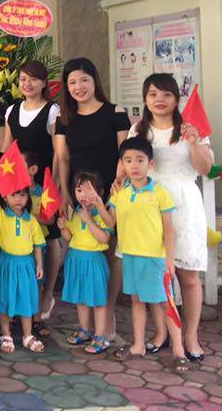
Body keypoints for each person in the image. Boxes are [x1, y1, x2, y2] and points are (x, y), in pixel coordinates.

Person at [128, 73, 212, 362]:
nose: (159, 100)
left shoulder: (190, 127)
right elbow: (128, 164)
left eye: (166, 94)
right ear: (145, 99)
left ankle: (191, 336)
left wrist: (194, 142)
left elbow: (204, 168)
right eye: (153, 94)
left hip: (184, 206)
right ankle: (161, 333)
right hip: (148, 207)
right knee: (154, 274)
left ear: (177, 99)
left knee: (188, 275)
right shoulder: (138, 130)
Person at [97, 137, 189, 373]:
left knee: (166, 303)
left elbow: (169, 229)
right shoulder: (119, 193)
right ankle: (138, 345)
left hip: (155, 259)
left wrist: (170, 259)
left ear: (151, 163)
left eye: (140, 160)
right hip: (130, 256)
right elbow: (110, 222)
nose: (134, 165)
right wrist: (98, 203)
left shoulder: (160, 193)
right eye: (128, 160)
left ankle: (179, 351)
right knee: (137, 301)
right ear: (122, 164)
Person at [54, 57, 130, 334]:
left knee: (109, 255)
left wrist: (117, 187)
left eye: (84, 80)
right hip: (79, 196)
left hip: (109, 195)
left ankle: (106, 319)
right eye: (72, 82)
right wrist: (65, 194)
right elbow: (63, 158)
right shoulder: (64, 119)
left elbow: (124, 153)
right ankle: (90, 325)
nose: (78, 87)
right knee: (85, 250)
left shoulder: (115, 112)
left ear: (94, 80)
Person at [0, 61, 63, 330]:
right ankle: (22, 301)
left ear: (44, 83)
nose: (27, 84)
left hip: (41, 185)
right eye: (23, 79)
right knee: (22, 236)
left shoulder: (52, 111)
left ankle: (47, 294)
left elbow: (58, 152)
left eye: (33, 79)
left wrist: (54, 185)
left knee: (49, 237)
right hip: (17, 186)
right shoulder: (12, 110)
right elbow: (6, 150)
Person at [0, 181, 45, 355]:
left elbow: (38, 244)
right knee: (4, 298)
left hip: (26, 265)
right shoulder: (0, 215)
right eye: (14, 195)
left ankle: (28, 335)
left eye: (23, 195)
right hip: (6, 264)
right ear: (4, 197)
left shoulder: (31, 220)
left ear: (28, 197)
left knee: (26, 299)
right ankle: (6, 334)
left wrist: (39, 264)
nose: (18, 199)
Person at [58, 171, 113, 355]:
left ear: (99, 192)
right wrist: (63, 227)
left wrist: (88, 219)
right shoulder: (76, 212)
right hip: (76, 260)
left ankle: (100, 337)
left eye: (89, 190)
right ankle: (85, 330)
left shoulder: (102, 214)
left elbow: (104, 238)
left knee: (98, 301)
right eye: (79, 190)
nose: (83, 195)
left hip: (94, 262)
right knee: (81, 299)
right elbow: (70, 238)